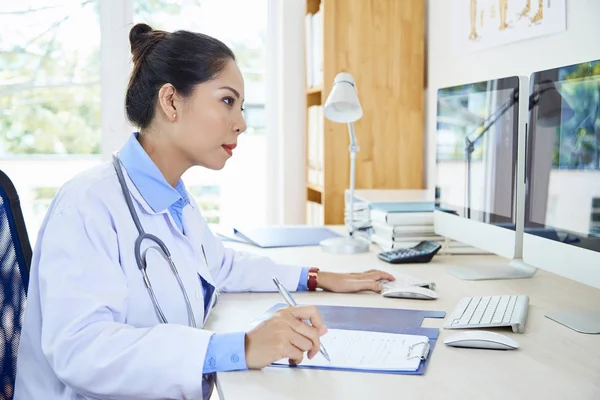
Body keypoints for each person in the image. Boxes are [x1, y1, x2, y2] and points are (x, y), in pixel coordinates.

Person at [14, 23, 394, 399]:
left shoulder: (173, 196)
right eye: (227, 101)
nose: (241, 123)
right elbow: (81, 352)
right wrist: (238, 349)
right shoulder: (87, 203)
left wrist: (318, 277)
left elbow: (219, 266)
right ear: (171, 101)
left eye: (241, 107)